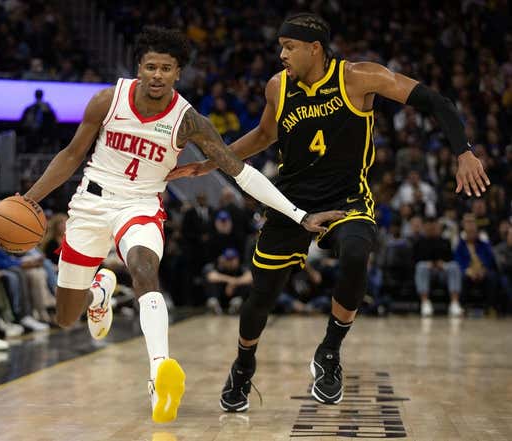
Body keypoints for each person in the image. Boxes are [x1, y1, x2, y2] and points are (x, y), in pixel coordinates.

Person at [168, 12, 490, 410]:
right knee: (261, 296)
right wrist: (214, 160)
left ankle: (330, 352)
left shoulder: (358, 77)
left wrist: (463, 151)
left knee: (357, 254)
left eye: (289, 47)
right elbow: (266, 135)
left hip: (346, 199)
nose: (281, 54)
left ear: (315, 48)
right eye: (281, 46)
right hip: (290, 202)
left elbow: (434, 101)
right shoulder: (277, 87)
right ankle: (243, 365)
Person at [22, 26, 343, 423]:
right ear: (139, 68)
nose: (158, 74)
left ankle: (160, 370)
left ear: (178, 73)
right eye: (151, 66)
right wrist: (29, 198)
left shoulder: (189, 120)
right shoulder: (109, 100)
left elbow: (240, 172)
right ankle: (100, 292)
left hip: (141, 204)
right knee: (66, 316)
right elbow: (71, 156)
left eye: (167, 68)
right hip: (91, 202)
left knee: (144, 268)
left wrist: (299, 215)